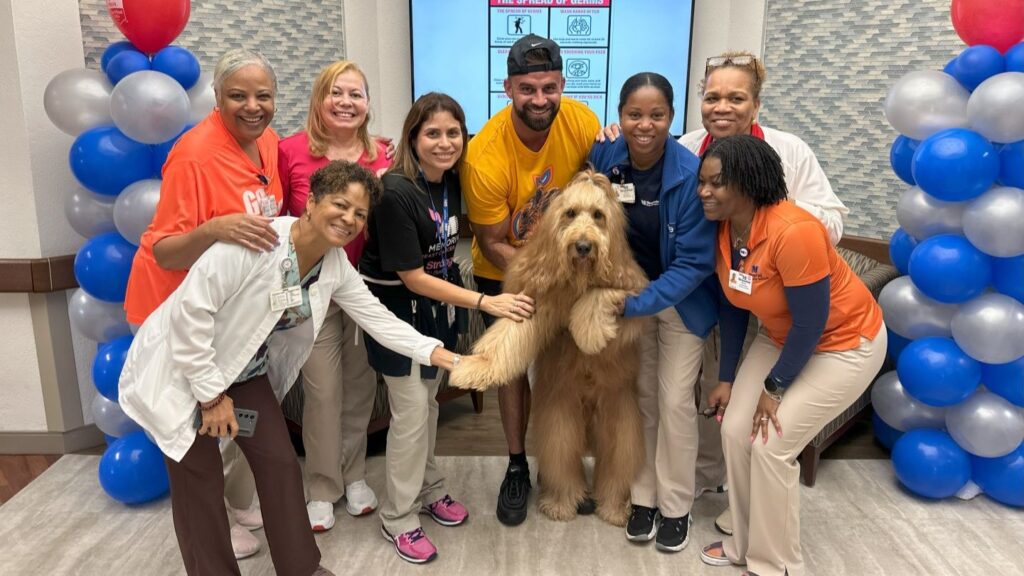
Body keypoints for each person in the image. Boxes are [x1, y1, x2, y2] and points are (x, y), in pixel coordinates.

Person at [119, 160, 463, 576]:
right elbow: (189, 317)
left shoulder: (333, 264)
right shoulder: (254, 242)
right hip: (181, 369)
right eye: (340, 204)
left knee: (280, 463)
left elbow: (377, 318)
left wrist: (436, 352)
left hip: (244, 374)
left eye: (359, 214)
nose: (349, 219)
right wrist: (210, 397)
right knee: (201, 481)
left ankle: (301, 569)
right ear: (312, 202)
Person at [600, 50, 849, 535]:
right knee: (709, 394)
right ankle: (697, 483)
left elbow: (831, 221)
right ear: (697, 106)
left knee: (727, 403)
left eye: (736, 98)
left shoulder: (788, 152)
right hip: (723, 296)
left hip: (779, 293)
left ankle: (745, 507)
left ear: (756, 104)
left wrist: (772, 221)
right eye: (713, 97)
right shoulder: (689, 151)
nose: (722, 107)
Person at [695, 135, 885, 576]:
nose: (704, 191)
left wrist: (774, 389)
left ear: (747, 183)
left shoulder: (793, 230)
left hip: (843, 344)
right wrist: (726, 377)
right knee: (734, 433)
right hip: (781, 336)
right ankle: (743, 544)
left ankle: (776, 565)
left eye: (716, 183)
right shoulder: (724, 226)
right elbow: (733, 303)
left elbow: (812, 322)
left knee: (771, 445)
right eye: (702, 182)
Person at [360, 92, 534, 563]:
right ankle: (398, 516)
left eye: (453, 132)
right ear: (412, 137)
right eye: (432, 133)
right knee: (411, 418)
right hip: (400, 316)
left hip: (437, 311)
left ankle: (429, 487)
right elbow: (412, 277)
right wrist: (484, 299)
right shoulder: (395, 193)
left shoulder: (451, 182)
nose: (444, 142)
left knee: (430, 410)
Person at [123, 48, 283, 559]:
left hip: (225, 316)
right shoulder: (194, 155)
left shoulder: (268, 142)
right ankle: (211, 531)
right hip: (171, 314)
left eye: (263, 96)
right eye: (238, 95)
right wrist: (214, 230)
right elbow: (164, 248)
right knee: (194, 441)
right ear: (216, 97)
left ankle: (236, 507)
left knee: (237, 421)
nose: (252, 106)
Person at [460, 33, 600, 527]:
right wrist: (539, 281)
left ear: (562, 84)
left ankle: (561, 467)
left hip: (569, 269)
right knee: (513, 366)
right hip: (505, 268)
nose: (538, 99)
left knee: (564, 365)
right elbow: (494, 239)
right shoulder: (484, 155)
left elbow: (599, 196)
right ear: (508, 88)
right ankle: (518, 465)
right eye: (526, 89)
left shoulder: (583, 123)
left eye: (547, 87)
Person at [588, 72, 717, 553]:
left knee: (675, 402)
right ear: (619, 118)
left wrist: (633, 304)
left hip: (678, 303)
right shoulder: (607, 155)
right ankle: (642, 497)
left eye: (657, 115)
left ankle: (676, 504)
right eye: (634, 115)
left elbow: (695, 262)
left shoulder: (690, 172)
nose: (645, 125)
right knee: (640, 399)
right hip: (630, 297)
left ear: (672, 117)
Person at [279, 60, 391, 532]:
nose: (346, 102)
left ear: (367, 104)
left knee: (361, 386)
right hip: (314, 286)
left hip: (364, 286)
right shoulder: (288, 151)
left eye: (356, 94)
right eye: (336, 93)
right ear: (319, 99)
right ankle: (323, 486)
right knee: (322, 389)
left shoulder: (384, 153)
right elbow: (280, 222)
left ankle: (355, 475)